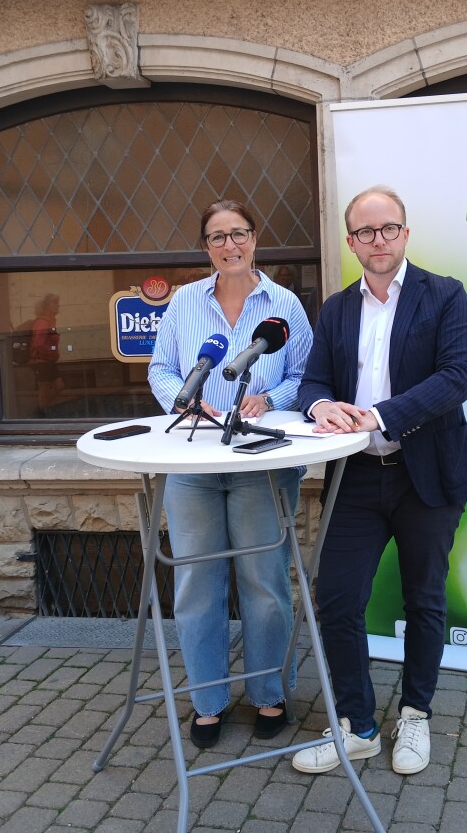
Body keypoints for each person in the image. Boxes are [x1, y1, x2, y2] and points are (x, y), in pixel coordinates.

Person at [292, 185, 467, 776]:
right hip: (354, 477)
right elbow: (313, 382)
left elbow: (457, 377)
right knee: (339, 600)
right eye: (365, 232)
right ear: (350, 242)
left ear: (405, 233)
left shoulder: (445, 295)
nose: (378, 241)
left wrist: (379, 415)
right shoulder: (336, 307)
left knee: (423, 599)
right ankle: (358, 726)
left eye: (388, 229)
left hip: (424, 474)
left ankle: (416, 713)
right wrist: (320, 407)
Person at [147, 199, 311, 747]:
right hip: (193, 463)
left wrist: (270, 398)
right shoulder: (184, 303)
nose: (229, 246)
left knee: (264, 582)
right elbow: (162, 369)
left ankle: (269, 693)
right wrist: (187, 404)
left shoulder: (283, 305)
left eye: (238, 234)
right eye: (217, 238)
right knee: (196, 583)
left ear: (255, 239)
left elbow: (306, 377)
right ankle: (209, 701)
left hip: (259, 465)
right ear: (206, 248)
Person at [28, 293, 65, 414]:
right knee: (44, 389)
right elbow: (38, 344)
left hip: (47, 361)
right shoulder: (43, 322)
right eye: (54, 303)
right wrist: (52, 354)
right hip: (41, 361)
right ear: (46, 306)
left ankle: (41, 408)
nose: (58, 305)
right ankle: (40, 412)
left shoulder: (50, 321)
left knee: (58, 386)